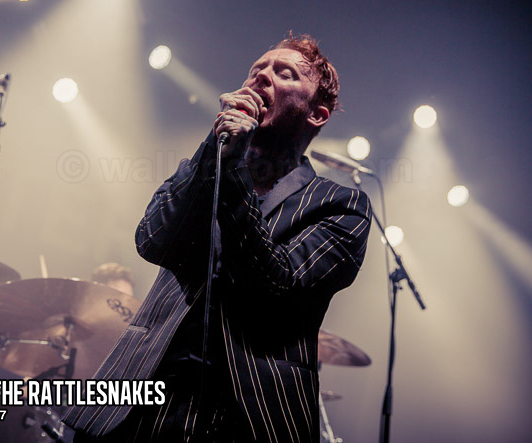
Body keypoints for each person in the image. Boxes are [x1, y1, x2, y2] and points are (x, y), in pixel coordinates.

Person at [64, 33, 371, 442]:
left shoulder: (341, 205)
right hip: (137, 402)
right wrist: (216, 149)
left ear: (316, 114)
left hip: (246, 417)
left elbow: (277, 283)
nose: (262, 76)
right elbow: (152, 240)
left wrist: (233, 170)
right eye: (257, 69)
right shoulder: (202, 165)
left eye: (285, 74)